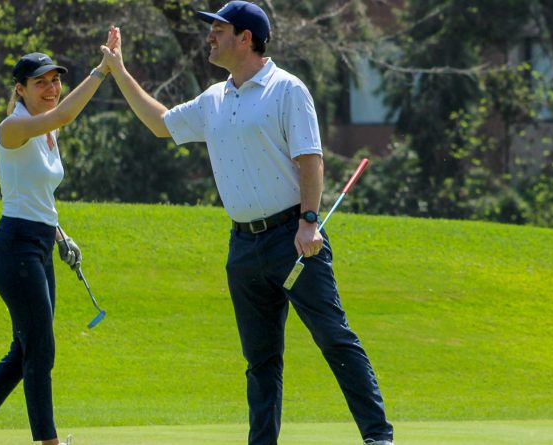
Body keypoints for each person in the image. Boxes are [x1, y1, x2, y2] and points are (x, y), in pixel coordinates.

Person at [98, 2, 395, 445]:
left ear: (246, 38)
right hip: (244, 247)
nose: (210, 37)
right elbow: (161, 124)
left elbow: (310, 159)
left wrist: (309, 221)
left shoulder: (287, 89)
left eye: (219, 30)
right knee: (260, 361)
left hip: (294, 239)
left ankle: (378, 437)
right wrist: (119, 71)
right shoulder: (214, 99)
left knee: (334, 338)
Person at [0, 29, 118, 445]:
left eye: (55, 80)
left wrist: (60, 234)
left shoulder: (47, 133)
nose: (52, 88)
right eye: (41, 82)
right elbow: (64, 116)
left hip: (38, 245)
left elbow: (35, 192)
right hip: (14, 248)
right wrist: (103, 70)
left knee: (25, 349)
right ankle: (47, 443)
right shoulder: (14, 127)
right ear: (20, 89)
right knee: (40, 349)